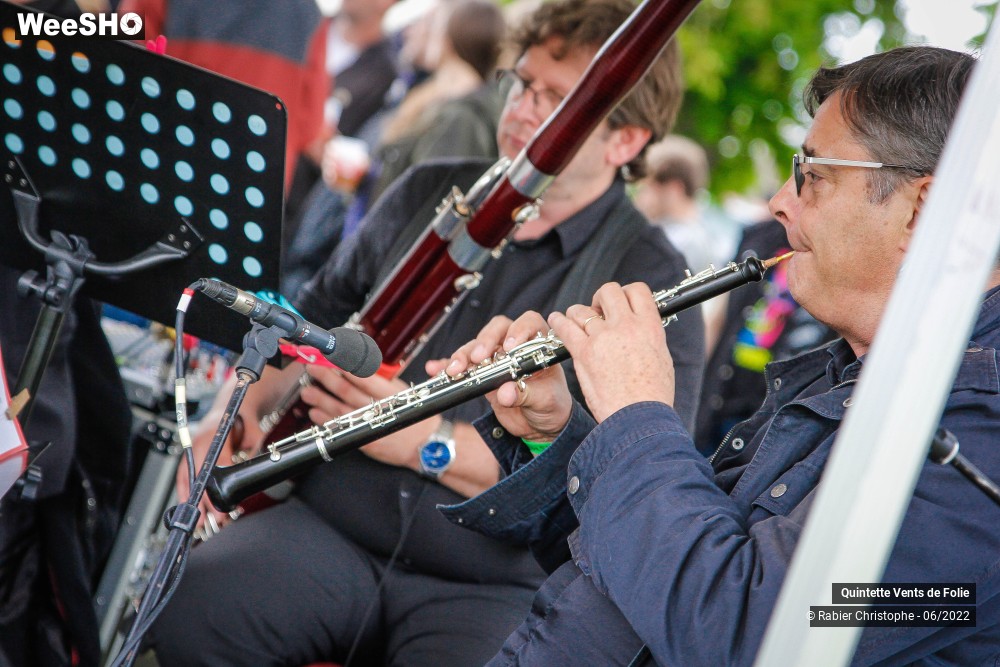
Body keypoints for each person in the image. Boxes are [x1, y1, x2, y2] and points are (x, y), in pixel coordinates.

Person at [148, 1, 700, 665]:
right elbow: (310, 319)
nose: (526, 109)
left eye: (559, 98)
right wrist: (232, 411)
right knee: (195, 608)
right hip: (331, 527)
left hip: (493, 582)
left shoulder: (652, 279)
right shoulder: (429, 191)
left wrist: (420, 441)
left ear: (626, 140)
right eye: (522, 83)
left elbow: (627, 472)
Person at [436, 46, 1000, 664]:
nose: (779, 202)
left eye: (814, 174)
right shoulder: (855, 369)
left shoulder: (982, 445)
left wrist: (637, 415)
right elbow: (656, 562)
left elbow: (751, 634)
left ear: (924, 211)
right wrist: (558, 437)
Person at [632, 134, 718, 272]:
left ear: (674, 189)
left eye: (646, 186)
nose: (639, 196)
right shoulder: (695, 237)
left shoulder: (681, 242)